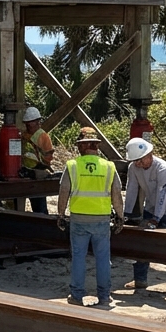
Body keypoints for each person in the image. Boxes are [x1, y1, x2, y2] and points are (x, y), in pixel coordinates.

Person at [55, 127, 124, 308]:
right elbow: (116, 193)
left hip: (79, 220)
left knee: (78, 257)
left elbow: (64, 191)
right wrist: (120, 216)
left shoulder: (72, 166)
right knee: (103, 258)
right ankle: (104, 296)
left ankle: (77, 296)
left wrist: (60, 214)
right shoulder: (109, 167)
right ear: (97, 146)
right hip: (101, 220)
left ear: (82, 146)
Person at [121, 138, 166, 293]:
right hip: (151, 207)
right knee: (144, 244)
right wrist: (126, 214)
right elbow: (131, 190)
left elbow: (163, 196)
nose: (138, 163)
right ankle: (140, 280)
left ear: (150, 154)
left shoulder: (162, 169)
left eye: (140, 160)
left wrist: (155, 219)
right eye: (135, 160)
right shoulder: (133, 168)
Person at [19, 106, 55, 213]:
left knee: (39, 206)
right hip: (25, 172)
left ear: (37, 122)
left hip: (37, 174)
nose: (29, 125)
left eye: (31, 122)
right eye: (27, 123)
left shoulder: (43, 136)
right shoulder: (24, 135)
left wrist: (42, 167)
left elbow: (48, 156)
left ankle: (42, 221)